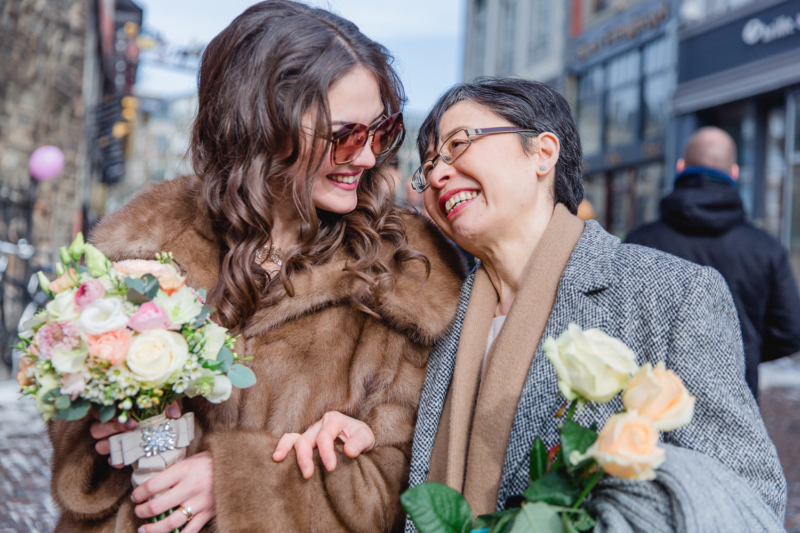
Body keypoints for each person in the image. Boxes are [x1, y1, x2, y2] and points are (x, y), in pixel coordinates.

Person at [289, 78, 787, 531]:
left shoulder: (669, 293)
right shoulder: (435, 314)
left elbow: (748, 494)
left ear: (542, 152)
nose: (438, 173)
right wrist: (367, 437)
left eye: (458, 144)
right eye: (428, 166)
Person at [46, 2, 465, 532]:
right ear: (262, 126)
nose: (366, 158)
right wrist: (121, 428)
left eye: (380, 132)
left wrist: (240, 481)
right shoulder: (141, 249)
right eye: (345, 136)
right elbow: (77, 478)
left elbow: (393, 488)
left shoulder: (405, 273)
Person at [627, 126, 800, 400]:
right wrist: (746, 351)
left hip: (653, 401)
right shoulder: (766, 248)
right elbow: (789, 332)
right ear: (734, 173)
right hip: (735, 396)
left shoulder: (640, 240)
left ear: (681, 167)